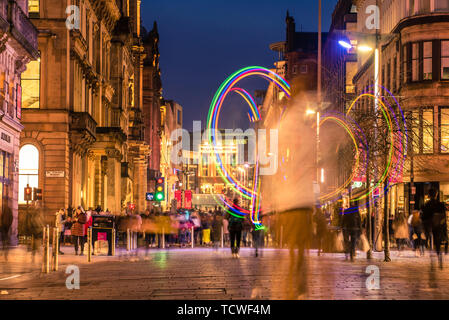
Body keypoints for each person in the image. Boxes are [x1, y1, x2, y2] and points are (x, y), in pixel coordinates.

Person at [422, 188, 447, 268]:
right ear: (436, 194)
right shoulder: (440, 204)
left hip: (429, 226)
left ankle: (432, 255)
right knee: (437, 241)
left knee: (429, 239)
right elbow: (443, 216)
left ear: (429, 195)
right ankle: (438, 254)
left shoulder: (427, 204)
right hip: (438, 226)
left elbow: (423, 217)